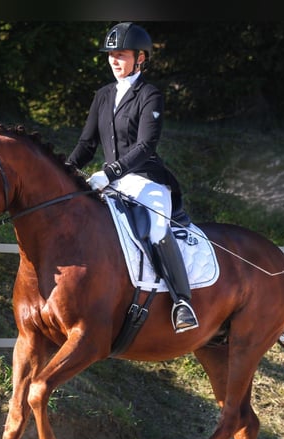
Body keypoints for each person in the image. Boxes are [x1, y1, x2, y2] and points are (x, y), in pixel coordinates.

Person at [66, 21, 199, 333]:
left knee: (156, 230)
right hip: (112, 183)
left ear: (141, 58)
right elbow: (87, 144)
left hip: (147, 181)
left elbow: (145, 145)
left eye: (122, 54)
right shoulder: (102, 95)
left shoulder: (149, 94)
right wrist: (65, 170)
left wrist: (109, 172)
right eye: (111, 54)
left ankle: (182, 302)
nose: (114, 60)